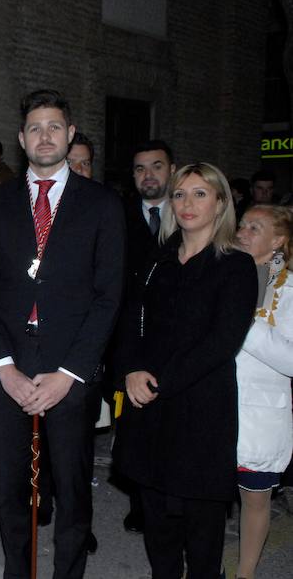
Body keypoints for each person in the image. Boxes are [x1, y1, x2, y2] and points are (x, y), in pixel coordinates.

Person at [0, 89, 125, 579]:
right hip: (7, 365)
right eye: (35, 128)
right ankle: (19, 569)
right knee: (11, 484)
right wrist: (3, 367)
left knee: (72, 487)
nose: (45, 136)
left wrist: (69, 373)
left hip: (70, 368)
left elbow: (107, 296)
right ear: (21, 139)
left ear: (70, 133)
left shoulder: (102, 204)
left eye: (54, 127)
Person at [113, 162, 258, 579]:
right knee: (157, 525)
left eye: (200, 194)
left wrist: (160, 382)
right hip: (148, 405)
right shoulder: (158, 260)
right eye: (180, 194)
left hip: (200, 411)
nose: (188, 203)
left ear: (220, 203)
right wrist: (130, 370)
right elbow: (131, 319)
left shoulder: (235, 266)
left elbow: (222, 341)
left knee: (202, 533)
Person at [118, 139, 176, 533]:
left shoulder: (190, 214)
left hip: (173, 340)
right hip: (129, 339)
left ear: (171, 170)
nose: (148, 175)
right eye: (140, 168)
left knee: (172, 427)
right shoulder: (119, 214)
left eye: (156, 166)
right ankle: (140, 503)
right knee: (131, 426)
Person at [234, 205, 293, 579]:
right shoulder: (227, 275)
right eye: (241, 224)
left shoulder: (288, 288)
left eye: (254, 228)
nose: (242, 232)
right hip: (215, 407)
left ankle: (245, 573)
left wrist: (243, 325)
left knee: (254, 501)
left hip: (259, 415)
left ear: (278, 241)